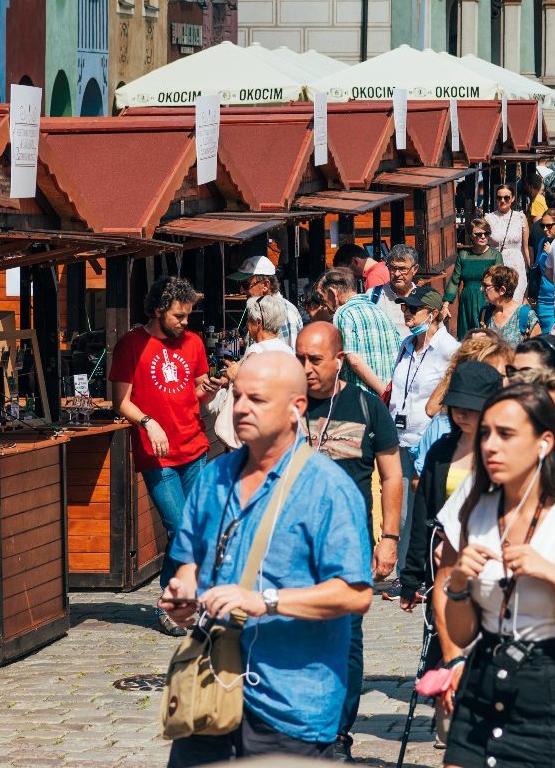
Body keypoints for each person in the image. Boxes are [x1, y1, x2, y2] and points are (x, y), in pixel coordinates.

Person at [158, 351, 372, 765]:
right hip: (211, 693)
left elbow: (355, 593)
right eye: (237, 397)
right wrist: (183, 593)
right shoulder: (213, 477)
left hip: (289, 708)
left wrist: (267, 600)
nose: (240, 408)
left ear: (296, 408)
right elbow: (190, 564)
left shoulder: (327, 489)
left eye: (256, 400)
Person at [433, 383, 555, 768]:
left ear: (544, 442)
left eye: (506, 434)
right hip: (482, 685)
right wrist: (457, 585)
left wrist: (554, 577)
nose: (489, 445)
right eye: (485, 433)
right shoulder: (476, 510)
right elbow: (462, 633)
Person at [293, 322, 404, 756]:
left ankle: (338, 732)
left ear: (338, 359)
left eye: (314, 359)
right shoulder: (286, 407)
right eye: (299, 358)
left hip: (348, 547)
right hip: (294, 549)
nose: (305, 368)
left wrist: (389, 537)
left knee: (344, 639)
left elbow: (392, 474)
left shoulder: (365, 406)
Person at [397, 360, 501, 746]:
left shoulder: (503, 449)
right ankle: (450, 730)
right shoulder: (441, 449)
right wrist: (411, 579)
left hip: (492, 572)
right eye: (459, 406)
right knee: (446, 647)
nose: (464, 414)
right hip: (444, 572)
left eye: (473, 408)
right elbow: (422, 514)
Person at [113, 275, 225, 629]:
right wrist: (148, 421)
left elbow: (194, 392)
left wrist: (207, 388)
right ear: (159, 310)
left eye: (188, 315)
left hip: (194, 446)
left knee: (198, 528)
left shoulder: (192, 343)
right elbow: (121, 402)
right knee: (179, 527)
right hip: (157, 453)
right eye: (179, 315)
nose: (185, 322)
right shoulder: (131, 344)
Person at [389, 286, 460, 491]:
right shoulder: (406, 344)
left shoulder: (449, 349)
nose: (407, 313)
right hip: (399, 439)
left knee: (423, 508)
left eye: (413, 308)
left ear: (433, 313)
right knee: (402, 514)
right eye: (405, 308)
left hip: (428, 441)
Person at [317, 266, 405, 395]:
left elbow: (354, 359)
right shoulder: (379, 311)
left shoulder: (343, 313)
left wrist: (383, 392)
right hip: (389, 396)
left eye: (321, 297)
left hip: (364, 398)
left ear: (333, 293)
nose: (323, 304)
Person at [444, 220, 504, 341]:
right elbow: (455, 281)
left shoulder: (495, 256)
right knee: (466, 338)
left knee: (485, 337)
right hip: (467, 301)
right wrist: (445, 305)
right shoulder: (463, 255)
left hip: (487, 300)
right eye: (478, 234)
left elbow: (500, 282)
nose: (483, 236)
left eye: (486, 233)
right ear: (471, 235)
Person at [231, 255, 302, 346]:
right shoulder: (260, 309)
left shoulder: (285, 312)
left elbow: (288, 355)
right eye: (239, 284)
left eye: (245, 285)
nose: (241, 291)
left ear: (265, 285)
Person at [486, 184, 532, 302]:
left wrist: (529, 270)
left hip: (517, 266)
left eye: (506, 197)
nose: (502, 200)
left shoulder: (520, 217)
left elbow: (525, 248)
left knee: (516, 301)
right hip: (497, 265)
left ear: (512, 198)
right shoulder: (488, 219)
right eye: (499, 197)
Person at [481, 264, 541, 345]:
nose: (481, 289)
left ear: (502, 290)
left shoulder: (526, 316)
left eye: (486, 286)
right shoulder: (485, 314)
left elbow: (538, 352)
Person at [369, 244, 421, 326]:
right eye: (393, 268)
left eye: (402, 269)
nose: (397, 274)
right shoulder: (373, 296)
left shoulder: (424, 299)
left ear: (415, 269)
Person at [241, 293, 297, 358]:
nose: (247, 324)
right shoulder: (289, 351)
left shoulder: (256, 351)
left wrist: (235, 368)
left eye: (249, 319)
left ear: (258, 322)